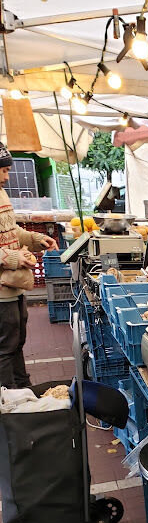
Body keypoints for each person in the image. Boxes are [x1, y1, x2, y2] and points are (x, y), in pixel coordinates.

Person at [0, 142, 58, 388]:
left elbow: (12, 231)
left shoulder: (1, 193)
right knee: (5, 346)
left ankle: (22, 388)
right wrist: (13, 258)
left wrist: (36, 239)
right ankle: (8, 399)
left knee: (17, 341)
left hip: (15, 285)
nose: (7, 175)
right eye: (3, 170)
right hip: (2, 289)